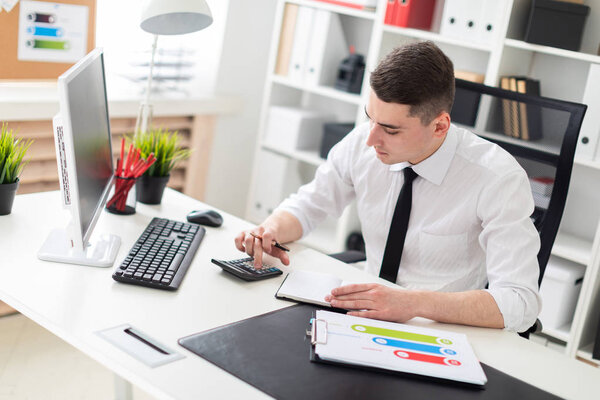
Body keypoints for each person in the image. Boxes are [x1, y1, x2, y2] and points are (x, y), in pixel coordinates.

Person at [235, 41, 541, 333]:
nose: (371, 140)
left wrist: (413, 303)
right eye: (371, 119)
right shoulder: (362, 142)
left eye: (391, 130)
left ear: (440, 126)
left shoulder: (497, 178)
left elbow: (520, 302)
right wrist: (269, 230)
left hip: (442, 325)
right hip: (364, 310)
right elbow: (309, 205)